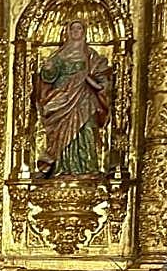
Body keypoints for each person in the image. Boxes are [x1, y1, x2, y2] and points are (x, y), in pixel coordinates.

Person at [34, 20, 112, 176]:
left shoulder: (90, 55)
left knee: (87, 129)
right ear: (68, 32)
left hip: (84, 98)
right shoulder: (59, 56)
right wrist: (48, 69)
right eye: (73, 29)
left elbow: (102, 76)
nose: (76, 32)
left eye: (80, 28)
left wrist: (95, 84)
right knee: (61, 132)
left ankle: (87, 168)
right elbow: (48, 77)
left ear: (84, 32)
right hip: (63, 96)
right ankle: (61, 168)